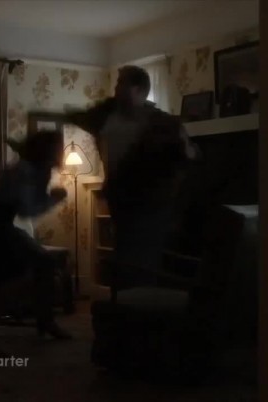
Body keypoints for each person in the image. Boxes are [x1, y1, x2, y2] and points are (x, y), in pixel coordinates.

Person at [65, 65, 199, 289]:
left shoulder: (160, 122)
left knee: (139, 261)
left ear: (137, 89)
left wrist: (185, 147)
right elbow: (85, 118)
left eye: (121, 83)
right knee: (125, 256)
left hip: (150, 203)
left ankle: (138, 301)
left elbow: (187, 157)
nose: (116, 87)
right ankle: (127, 301)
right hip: (121, 200)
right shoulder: (108, 114)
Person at [0, 130, 71, 353]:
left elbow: (29, 207)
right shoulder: (24, 171)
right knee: (13, 276)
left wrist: (48, 195)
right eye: (57, 149)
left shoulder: (38, 170)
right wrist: (54, 199)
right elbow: (28, 210)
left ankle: (46, 321)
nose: (60, 153)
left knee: (44, 262)